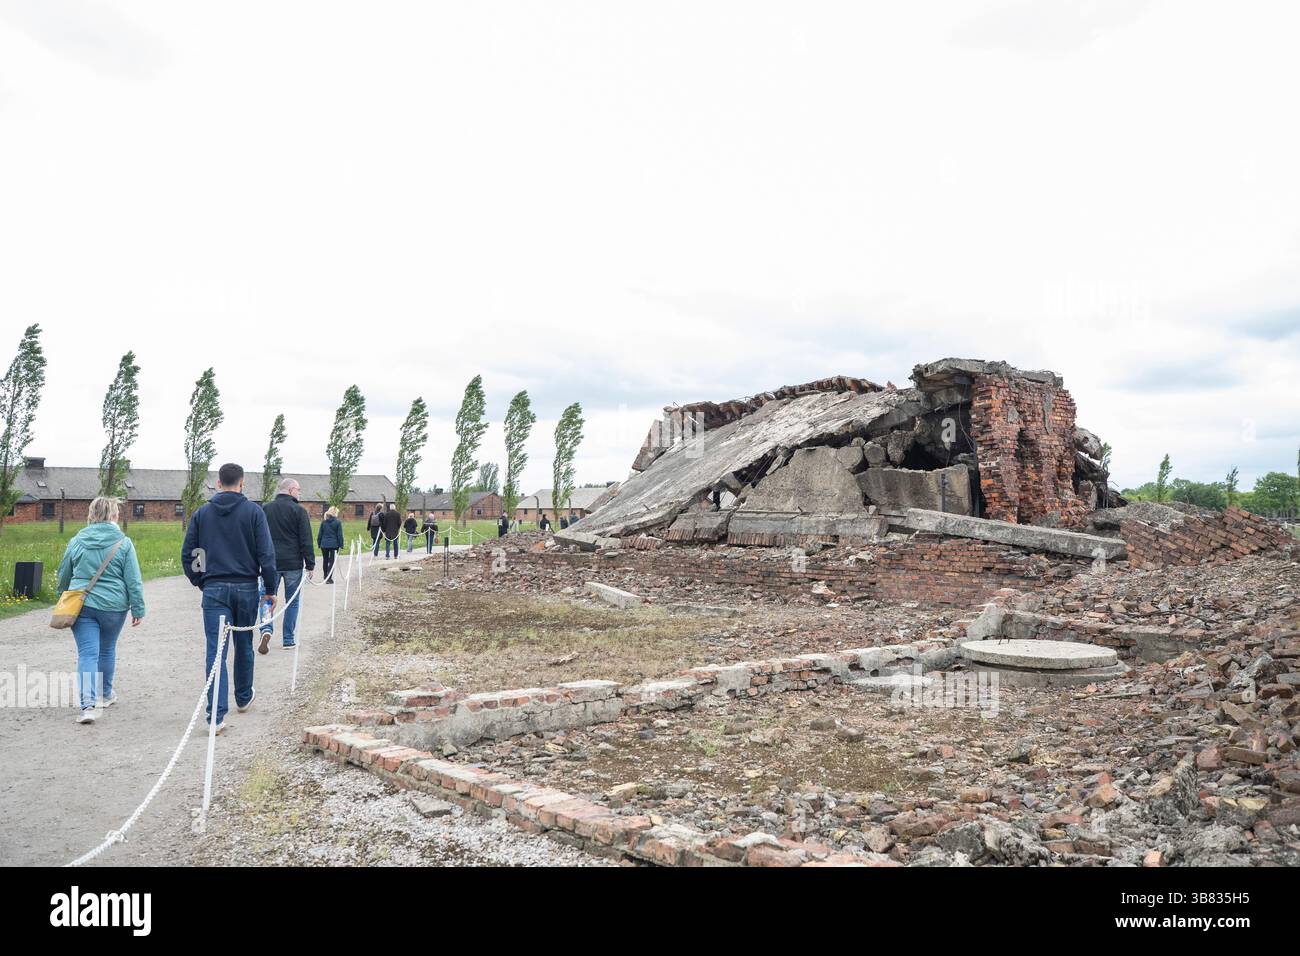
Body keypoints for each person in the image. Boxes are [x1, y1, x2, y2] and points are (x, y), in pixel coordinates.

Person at [182, 462, 276, 734]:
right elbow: (266, 554)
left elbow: (193, 551)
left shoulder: (202, 514)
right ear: (242, 482)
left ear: (219, 483)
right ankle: (244, 697)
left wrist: (200, 579)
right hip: (246, 586)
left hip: (214, 588)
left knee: (216, 651)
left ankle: (215, 715)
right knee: (244, 643)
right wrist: (269, 589)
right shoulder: (254, 513)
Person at [57, 496, 146, 725]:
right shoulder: (124, 543)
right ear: (114, 515)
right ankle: (104, 695)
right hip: (114, 607)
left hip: (82, 604)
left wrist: (64, 594)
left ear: (91, 514)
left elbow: (64, 573)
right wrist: (138, 608)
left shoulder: (76, 540)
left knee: (87, 653)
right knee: (107, 650)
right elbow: (133, 580)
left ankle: (87, 705)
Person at [259, 477, 316, 651]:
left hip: (270, 563)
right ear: (291, 490)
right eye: (298, 490)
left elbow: (259, 537)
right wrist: (310, 564)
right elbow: (306, 539)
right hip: (293, 563)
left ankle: (266, 629)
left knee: (267, 598)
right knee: (292, 601)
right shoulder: (299, 511)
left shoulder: (265, 509)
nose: (299, 493)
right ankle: (288, 639)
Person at [317, 506, 344, 584]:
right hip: (334, 545)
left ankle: (325, 576)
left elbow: (320, 535)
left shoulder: (323, 522)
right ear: (335, 513)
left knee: (325, 560)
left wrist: (319, 544)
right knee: (332, 561)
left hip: (324, 544)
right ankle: (329, 578)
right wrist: (341, 545)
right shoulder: (338, 522)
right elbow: (339, 535)